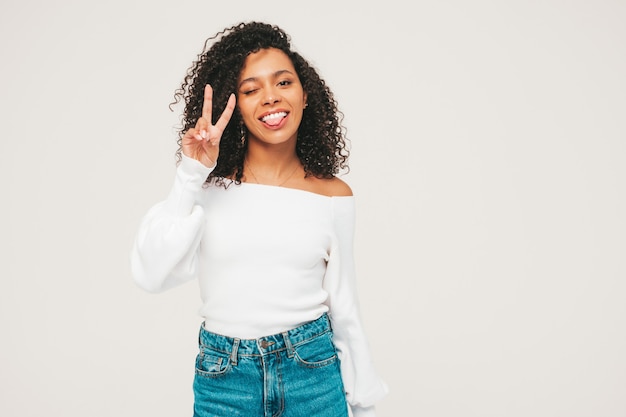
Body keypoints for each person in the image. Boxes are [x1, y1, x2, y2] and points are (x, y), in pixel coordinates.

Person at [131, 21, 388, 417]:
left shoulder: (334, 196)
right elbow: (151, 274)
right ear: (234, 107)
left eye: (283, 83)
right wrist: (190, 173)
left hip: (313, 376)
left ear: (305, 97)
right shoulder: (205, 188)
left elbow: (345, 307)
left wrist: (365, 405)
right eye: (251, 90)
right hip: (224, 380)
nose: (270, 97)